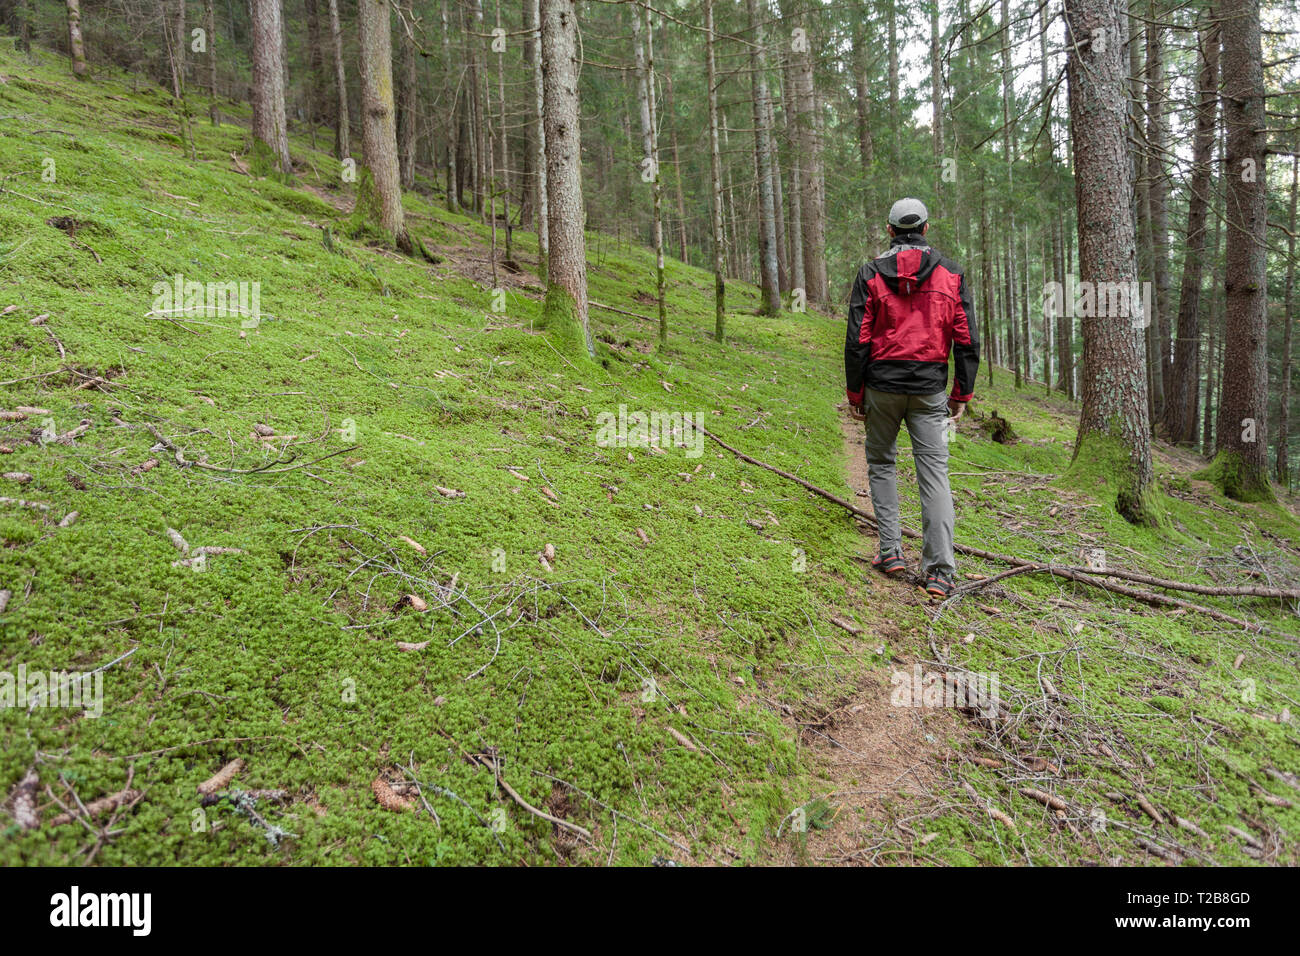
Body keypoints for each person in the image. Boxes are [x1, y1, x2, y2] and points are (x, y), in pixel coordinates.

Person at [844, 198, 980, 598]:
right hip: (929, 390)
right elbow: (967, 340)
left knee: (882, 463)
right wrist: (962, 393)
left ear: (890, 230)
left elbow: (858, 340)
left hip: (881, 387)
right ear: (925, 228)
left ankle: (890, 552)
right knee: (934, 474)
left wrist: (856, 392)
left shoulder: (870, 274)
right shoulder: (951, 273)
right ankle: (939, 571)